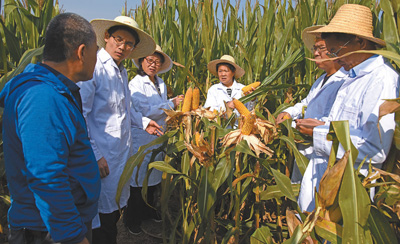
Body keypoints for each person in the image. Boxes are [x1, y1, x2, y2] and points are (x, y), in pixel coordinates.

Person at [0, 13, 100, 244]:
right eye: (96, 51)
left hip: (58, 224)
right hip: (46, 230)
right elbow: (46, 177)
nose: (97, 58)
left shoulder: (55, 90)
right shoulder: (43, 98)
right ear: (82, 51)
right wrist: (73, 235)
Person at [297, 4, 400, 212]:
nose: (334, 57)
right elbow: (345, 125)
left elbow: (374, 150)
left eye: (335, 50)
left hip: (347, 194)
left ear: (359, 42)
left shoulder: (382, 80)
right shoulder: (350, 77)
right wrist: (321, 125)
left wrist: (318, 133)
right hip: (324, 184)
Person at [77, 16, 160, 244]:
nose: (122, 47)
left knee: (113, 211)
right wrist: (95, 155)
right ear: (106, 37)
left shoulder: (121, 71)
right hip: (102, 157)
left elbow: (125, 109)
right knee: (101, 216)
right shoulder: (95, 68)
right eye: (118, 39)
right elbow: (79, 116)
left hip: (119, 155)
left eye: (129, 44)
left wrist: (144, 122)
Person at [124, 45, 184, 235]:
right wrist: (171, 104)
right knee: (138, 179)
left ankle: (149, 210)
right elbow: (146, 111)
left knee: (153, 177)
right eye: (149, 60)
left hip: (159, 137)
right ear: (141, 61)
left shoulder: (161, 83)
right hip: (142, 138)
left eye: (157, 61)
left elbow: (161, 110)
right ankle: (131, 218)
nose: (153, 64)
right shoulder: (136, 84)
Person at [276, 26, 347, 183]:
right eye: (315, 49)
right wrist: (288, 113)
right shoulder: (320, 80)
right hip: (307, 148)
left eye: (321, 48)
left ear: (336, 50)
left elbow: (333, 120)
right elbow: (306, 103)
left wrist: (293, 125)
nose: (315, 53)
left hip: (325, 150)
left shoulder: (345, 81)